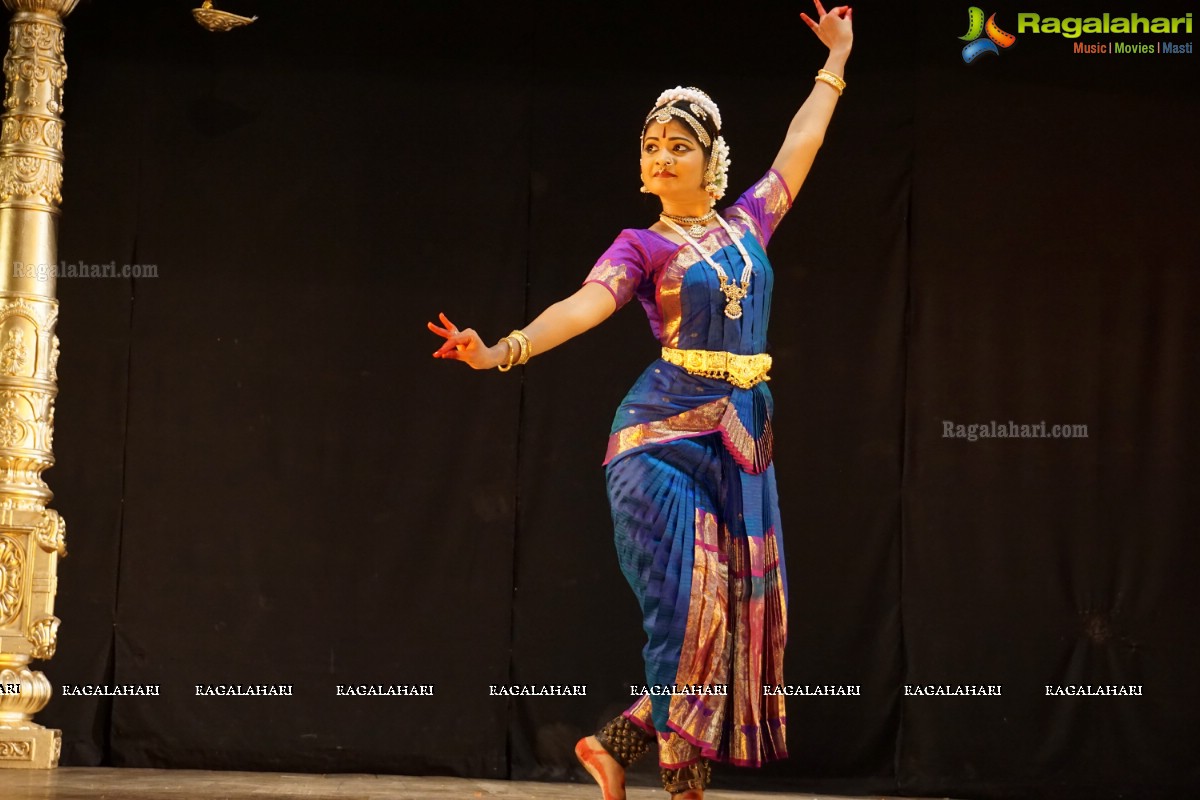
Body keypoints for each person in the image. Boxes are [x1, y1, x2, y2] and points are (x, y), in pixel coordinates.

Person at [429, 4, 853, 796]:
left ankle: (613, 743)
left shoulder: (749, 223)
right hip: (656, 438)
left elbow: (803, 145)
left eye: (678, 147)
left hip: (740, 442)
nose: (661, 156)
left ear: (709, 162)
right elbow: (584, 307)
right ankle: (679, 780)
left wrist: (836, 61)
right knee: (686, 604)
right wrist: (502, 351)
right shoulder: (641, 247)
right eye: (651, 146)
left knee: (726, 616)